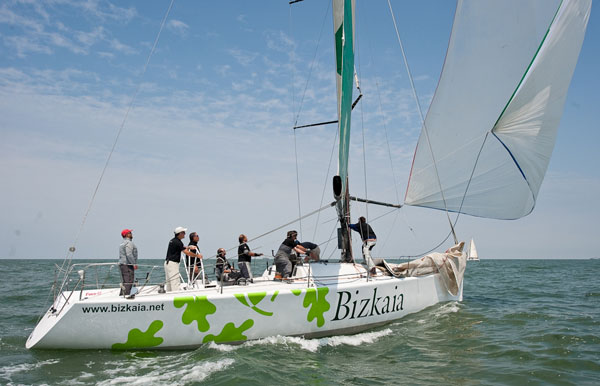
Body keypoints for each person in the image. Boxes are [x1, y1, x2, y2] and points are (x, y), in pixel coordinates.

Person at [164, 227, 202, 292]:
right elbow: (187, 252)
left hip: (167, 263)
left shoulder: (173, 240)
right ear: (180, 233)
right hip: (173, 264)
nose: (185, 234)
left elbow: (182, 247)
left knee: (169, 282)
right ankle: (176, 296)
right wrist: (197, 255)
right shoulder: (178, 242)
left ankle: (169, 295)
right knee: (175, 281)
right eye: (183, 232)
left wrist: (189, 247)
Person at [118, 228, 138, 298]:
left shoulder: (122, 243)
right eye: (130, 233)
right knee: (129, 281)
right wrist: (134, 264)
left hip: (122, 264)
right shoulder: (129, 243)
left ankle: (122, 295)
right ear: (126, 235)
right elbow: (129, 254)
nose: (131, 234)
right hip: (127, 265)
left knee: (125, 281)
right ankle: (126, 297)